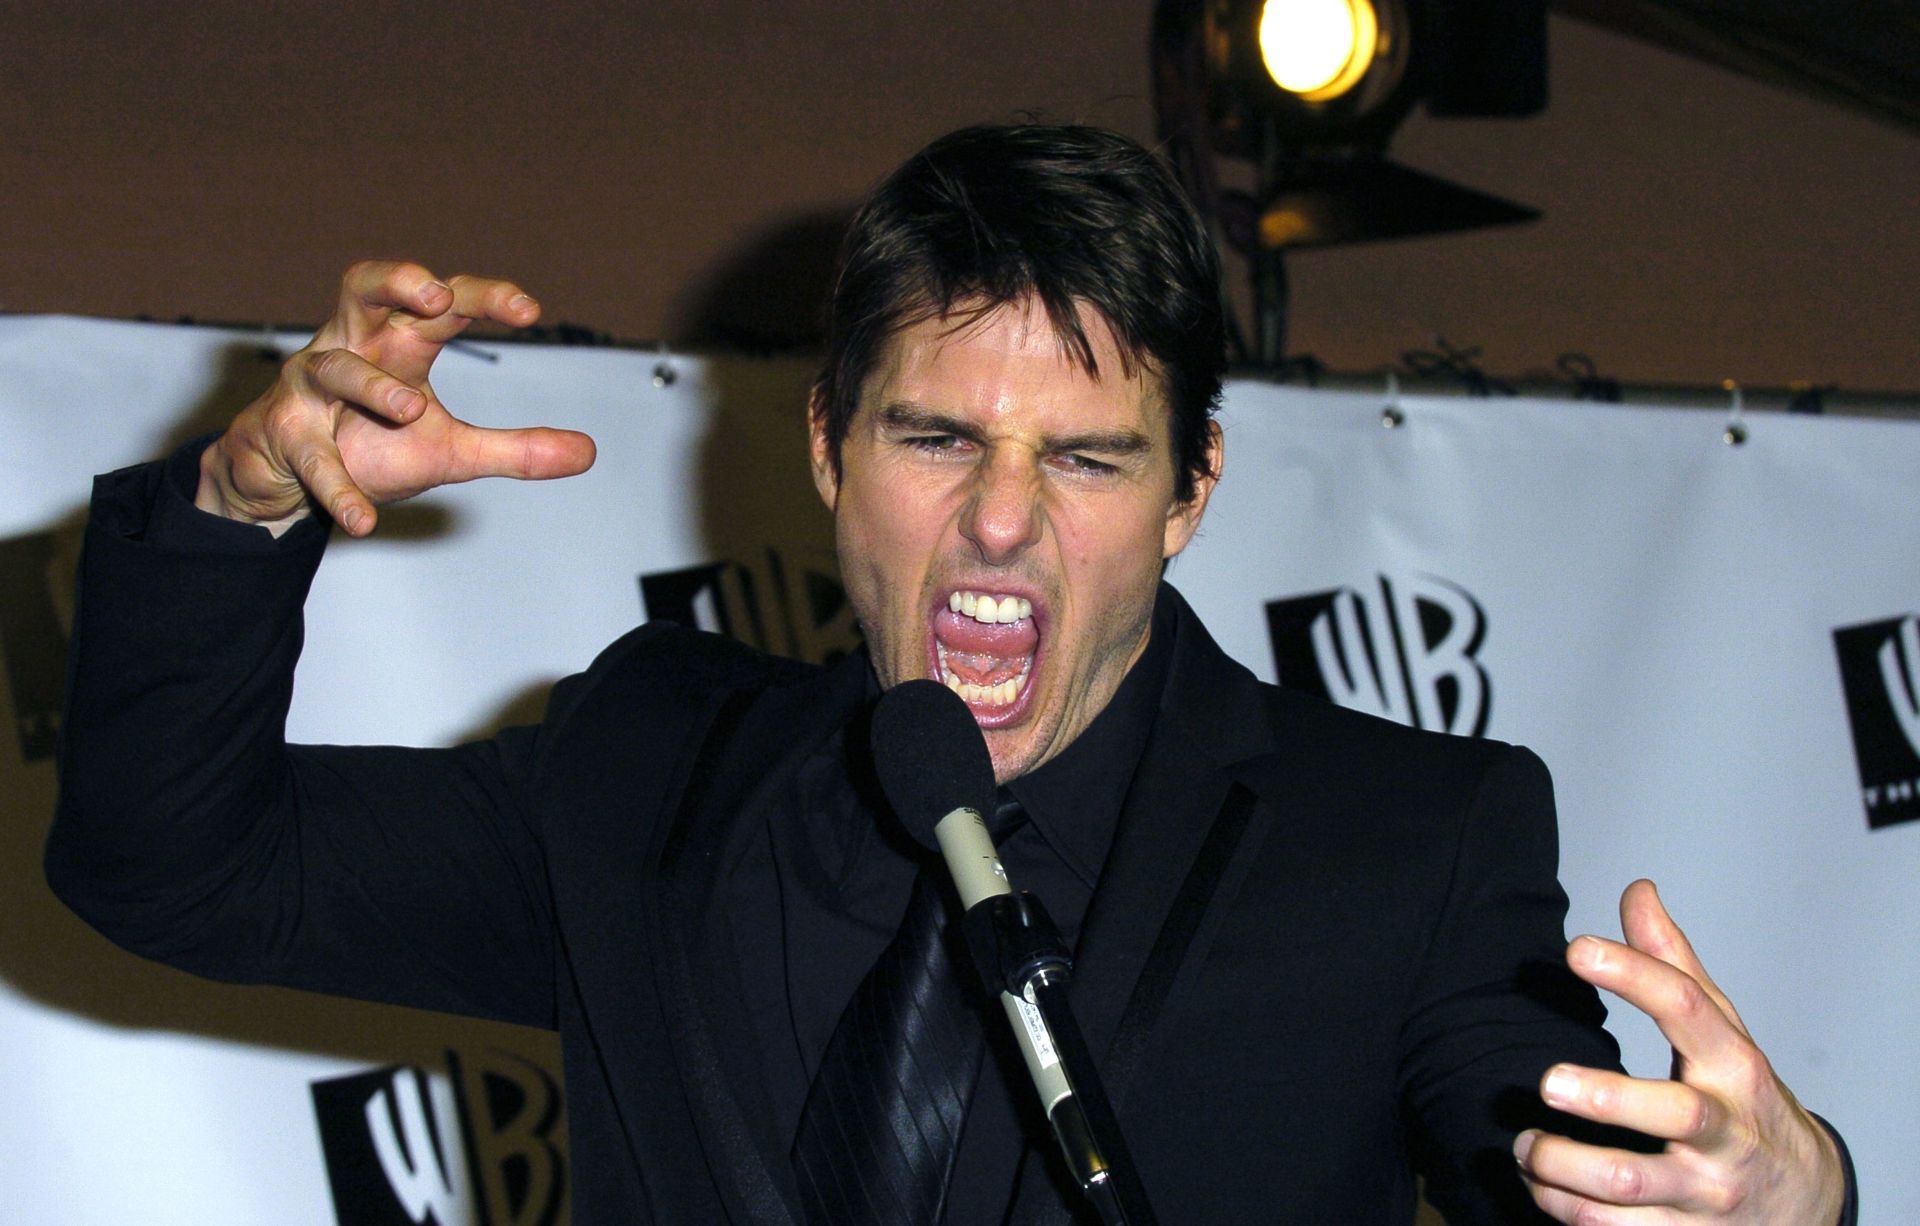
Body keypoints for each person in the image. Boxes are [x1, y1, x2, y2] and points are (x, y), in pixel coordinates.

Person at [48, 124, 1851, 1224]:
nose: (1000, 523)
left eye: (1084, 456)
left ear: (1190, 492)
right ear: (828, 450)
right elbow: (171, 862)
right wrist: (233, 506)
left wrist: (1783, 1195)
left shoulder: (1404, 837)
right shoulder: (641, 767)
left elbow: (1575, 1176)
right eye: (934, 437)